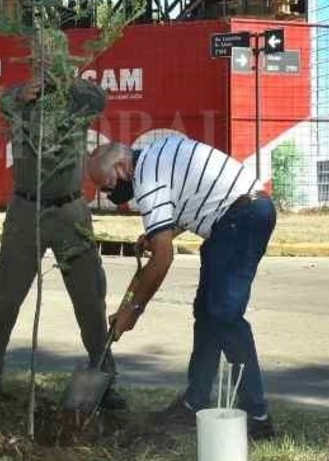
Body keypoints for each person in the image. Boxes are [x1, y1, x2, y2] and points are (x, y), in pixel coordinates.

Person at [86, 135, 278, 438]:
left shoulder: (146, 178)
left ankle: (257, 415)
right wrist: (163, 234)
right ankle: (194, 404)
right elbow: (193, 202)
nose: (107, 192)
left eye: (106, 184)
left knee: (225, 315)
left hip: (242, 218)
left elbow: (162, 259)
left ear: (122, 166)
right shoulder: (154, 154)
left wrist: (131, 311)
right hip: (237, 215)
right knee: (207, 312)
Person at [0, 58, 125, 411]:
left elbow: (99, 99)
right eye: (40, 63)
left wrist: (68, 81)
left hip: (71, 211)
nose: (45, 71)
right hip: (26, 212)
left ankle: (106, 383)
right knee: (6, 298)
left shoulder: (78, 100)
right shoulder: (19, 100)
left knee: (89, 301)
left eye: (52, 62)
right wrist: (21, 95)